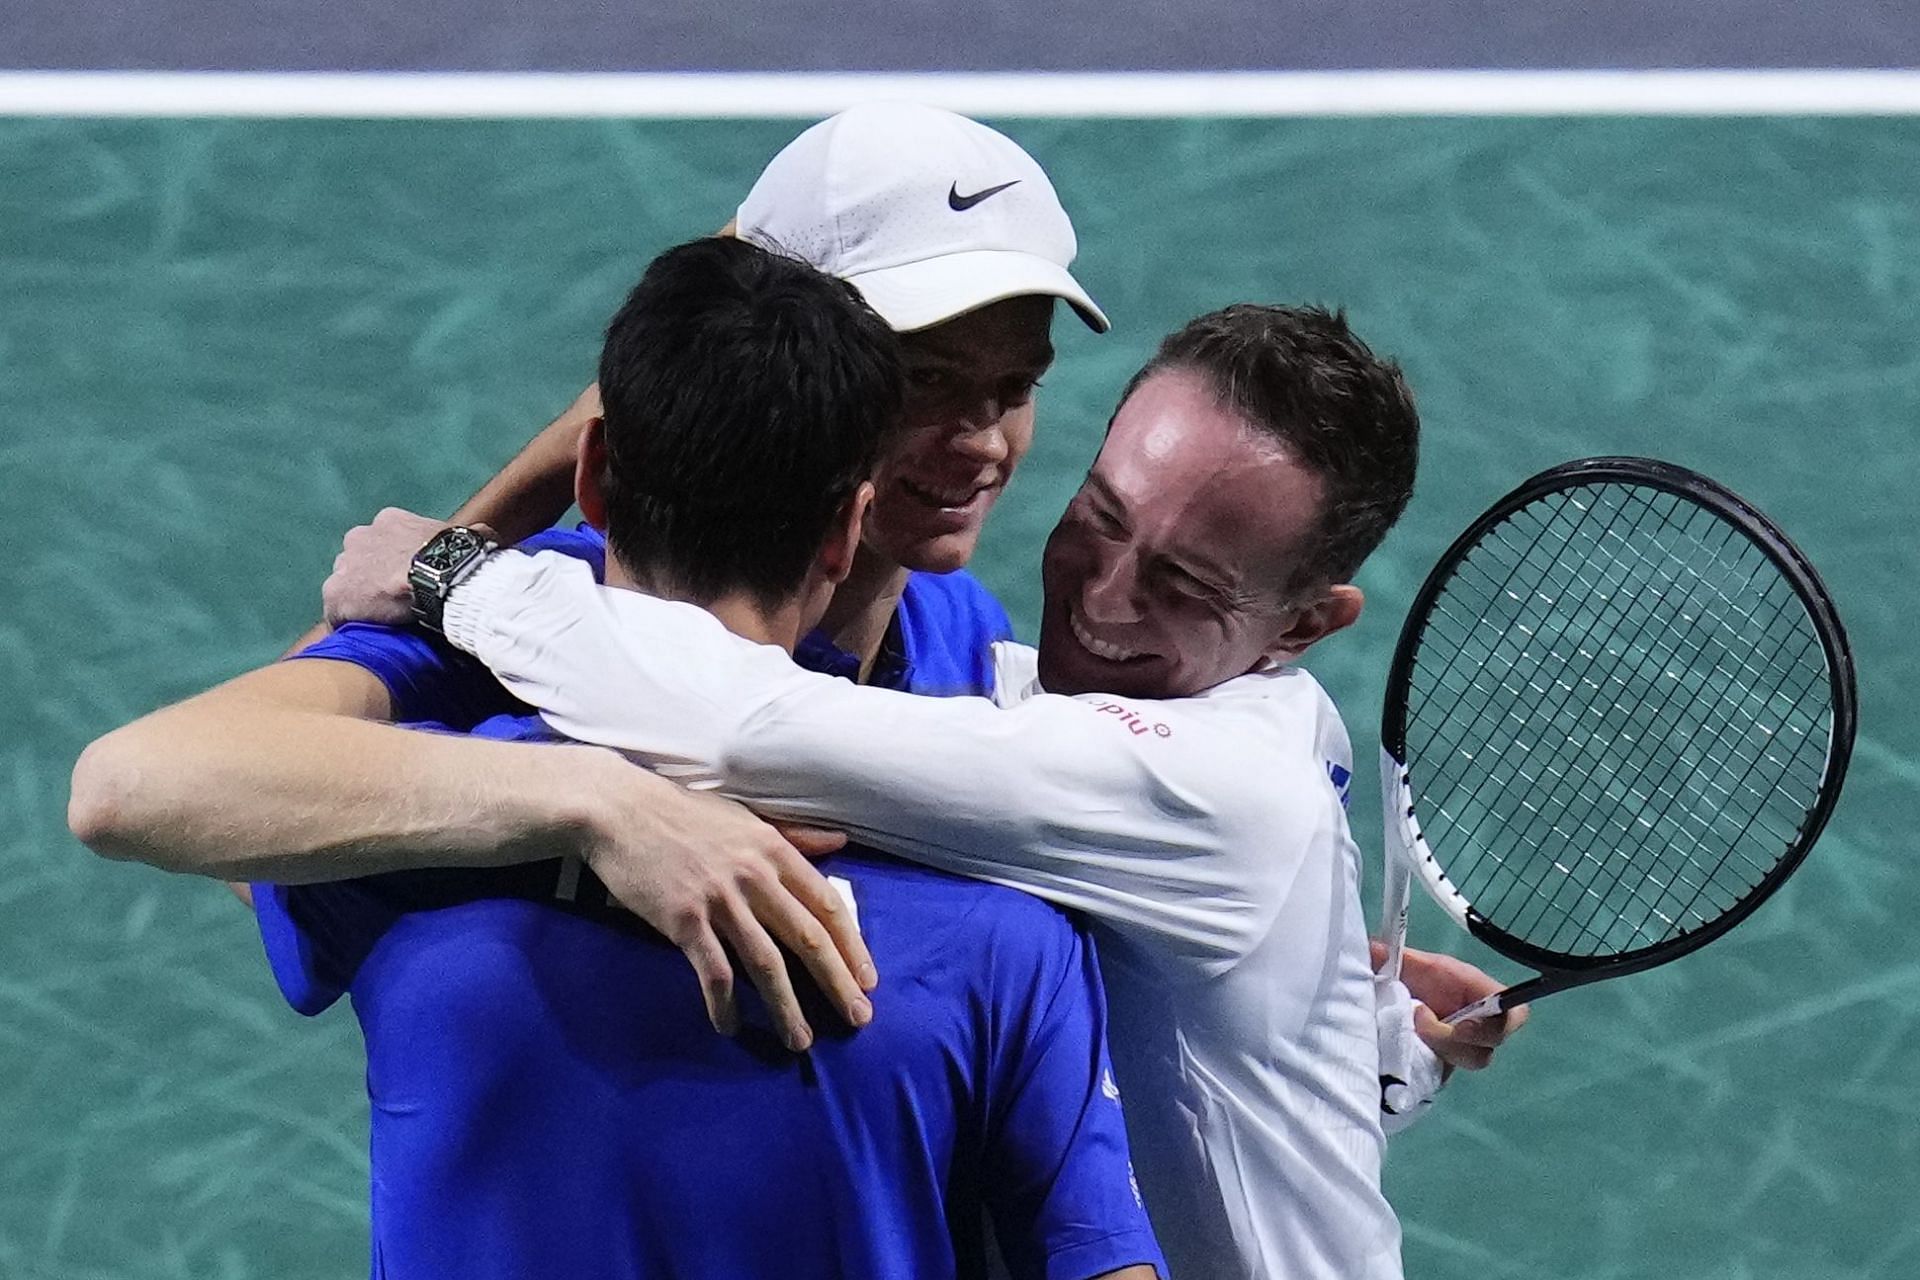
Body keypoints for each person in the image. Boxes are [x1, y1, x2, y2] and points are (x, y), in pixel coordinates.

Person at [326, 303, 1490, 1279]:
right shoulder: (1200, 733)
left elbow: (744, 722)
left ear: (1302, 624)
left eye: (1182, 581)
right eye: (1102, 516)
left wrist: (455, 573)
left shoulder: (1225, 795)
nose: (1104, 596)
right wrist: (1352, 1048)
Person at [87, 234, 1167, 1280]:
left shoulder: (418, 836)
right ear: (850, 527)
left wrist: (580, 803)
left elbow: (146, 787)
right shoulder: (1008, 927)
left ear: (595, 477)